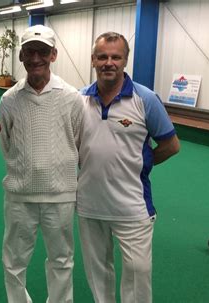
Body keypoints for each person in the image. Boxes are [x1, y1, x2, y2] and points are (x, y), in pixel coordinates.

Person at [77, 31, 180, 303]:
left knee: (138, 271)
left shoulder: (146, 99)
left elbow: (171, 145)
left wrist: (141, 164)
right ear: (93, 60)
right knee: (98, 271)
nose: (108, 62)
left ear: (125, 61)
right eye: (102, 57)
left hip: (132, 206)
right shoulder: (79, 100)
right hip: (89, 204)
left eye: (115, 57)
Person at [0, 25, 84, 303]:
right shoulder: (9, 99)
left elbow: (78, 141)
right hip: (19, 195)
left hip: (60, 195)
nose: (36, 58)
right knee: (13, 261)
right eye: (30, 52)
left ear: (54, 55)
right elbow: (8, 144)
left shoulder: (72, 97)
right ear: (21, 56)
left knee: (61, 259)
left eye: (43, 52)